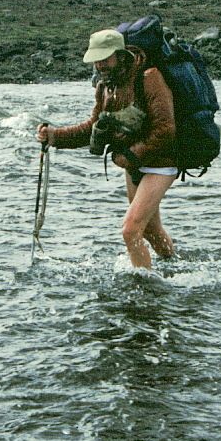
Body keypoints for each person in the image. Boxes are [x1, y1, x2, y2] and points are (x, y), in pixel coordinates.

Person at [36, 29, 177, 269]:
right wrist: (54, 136)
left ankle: (145, 291)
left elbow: (166, 129)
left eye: (105, 58)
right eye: (96, 59)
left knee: (130, 230)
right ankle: (175, 265)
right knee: (150, 233)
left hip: (161, 162)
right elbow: (91, 128)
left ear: (120, 55)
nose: (100, 64)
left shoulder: (149, 77)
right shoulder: (104, 87)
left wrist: (132, 154)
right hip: (132, 164)